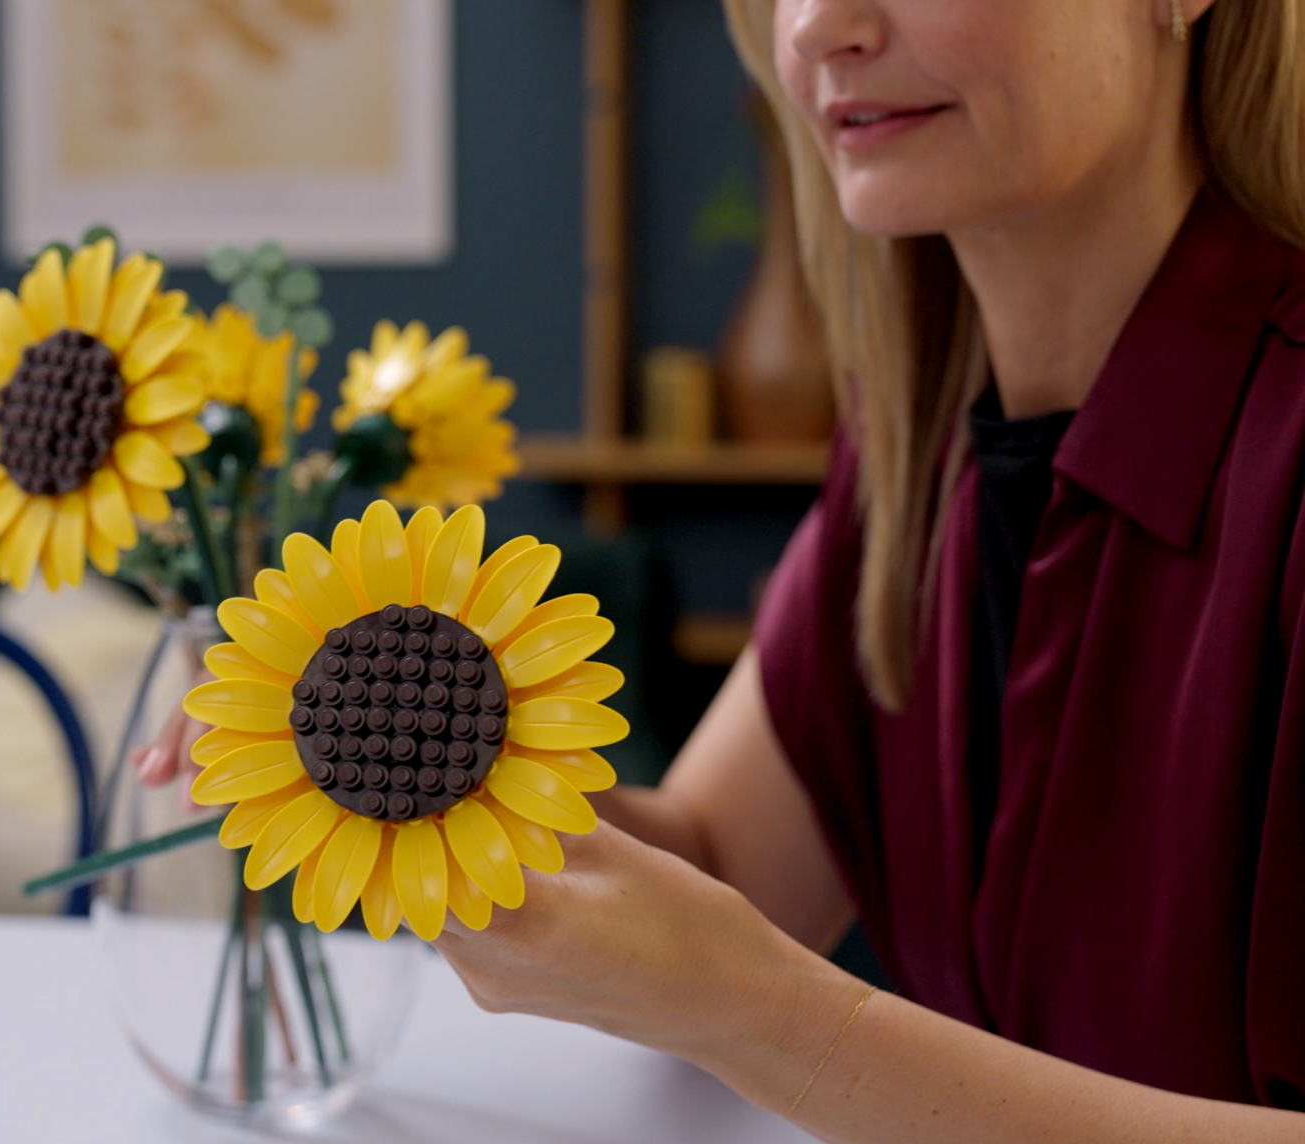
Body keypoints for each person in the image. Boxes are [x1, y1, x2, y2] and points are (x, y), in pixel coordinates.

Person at [426, 0, 1305, 1137]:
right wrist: (408, 743)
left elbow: (722, 959)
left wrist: (763, 1013)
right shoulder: (906, 463)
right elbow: (715, 864)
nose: (813, 28)